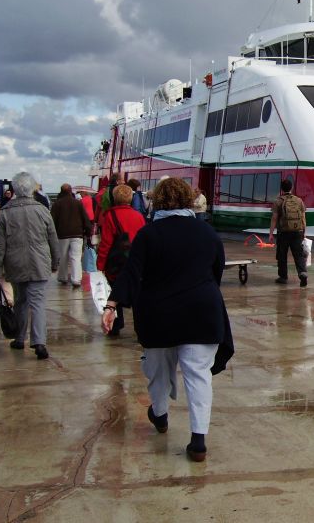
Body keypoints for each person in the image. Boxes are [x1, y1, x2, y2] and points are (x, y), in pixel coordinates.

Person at [101, 177, 228, 462]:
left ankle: (160, 414)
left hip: (159, 313)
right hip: (201, 311)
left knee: (158, 370)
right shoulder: (207, 232)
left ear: (156, 201)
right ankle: (198, 441)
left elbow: (132, 274)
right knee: (198, 374)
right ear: (188, 199)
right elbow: (217, 272)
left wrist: (111, 305)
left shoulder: (149, 234)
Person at [0, 172, 60, 360]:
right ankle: (39, 342)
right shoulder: (42, 210)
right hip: (39, 262)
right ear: (32, 189)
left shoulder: (6, 212)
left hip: (15, 263)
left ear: (14, 189)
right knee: (37, 302)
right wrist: (55, 261)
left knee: (20, 300)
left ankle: (20, 338)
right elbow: (53, 238)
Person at [96, 184, 146, 337]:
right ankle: (140, 328)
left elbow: (106, 243)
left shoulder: (110, 216)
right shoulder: (138, 216)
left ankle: (116, 324)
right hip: (136, 262)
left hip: (116, 263)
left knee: (114, 290)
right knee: (138, 296)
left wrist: (100, 264)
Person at [51, 183, 92, 288]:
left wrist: (51, 235)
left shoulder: (57, 204)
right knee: (76, 257)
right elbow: (85, 219)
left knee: (63, 257)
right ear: (70, 191)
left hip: (62, 235)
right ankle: (76, 279)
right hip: (77, 234)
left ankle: (63, 277)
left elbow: (52, 221)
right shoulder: (77, 203)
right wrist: (88, 233)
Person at [269, 178, 307, 286]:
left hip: (283, 232)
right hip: (297, 231)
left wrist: (271, 233)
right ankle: (302, 273)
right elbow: (303, 218)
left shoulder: (278, 201)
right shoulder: (299, 200)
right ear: (292, 188)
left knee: (282, 255)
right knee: (299, 254)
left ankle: (283, 277)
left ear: (281, 189)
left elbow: (274, 218)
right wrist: (304, 232)